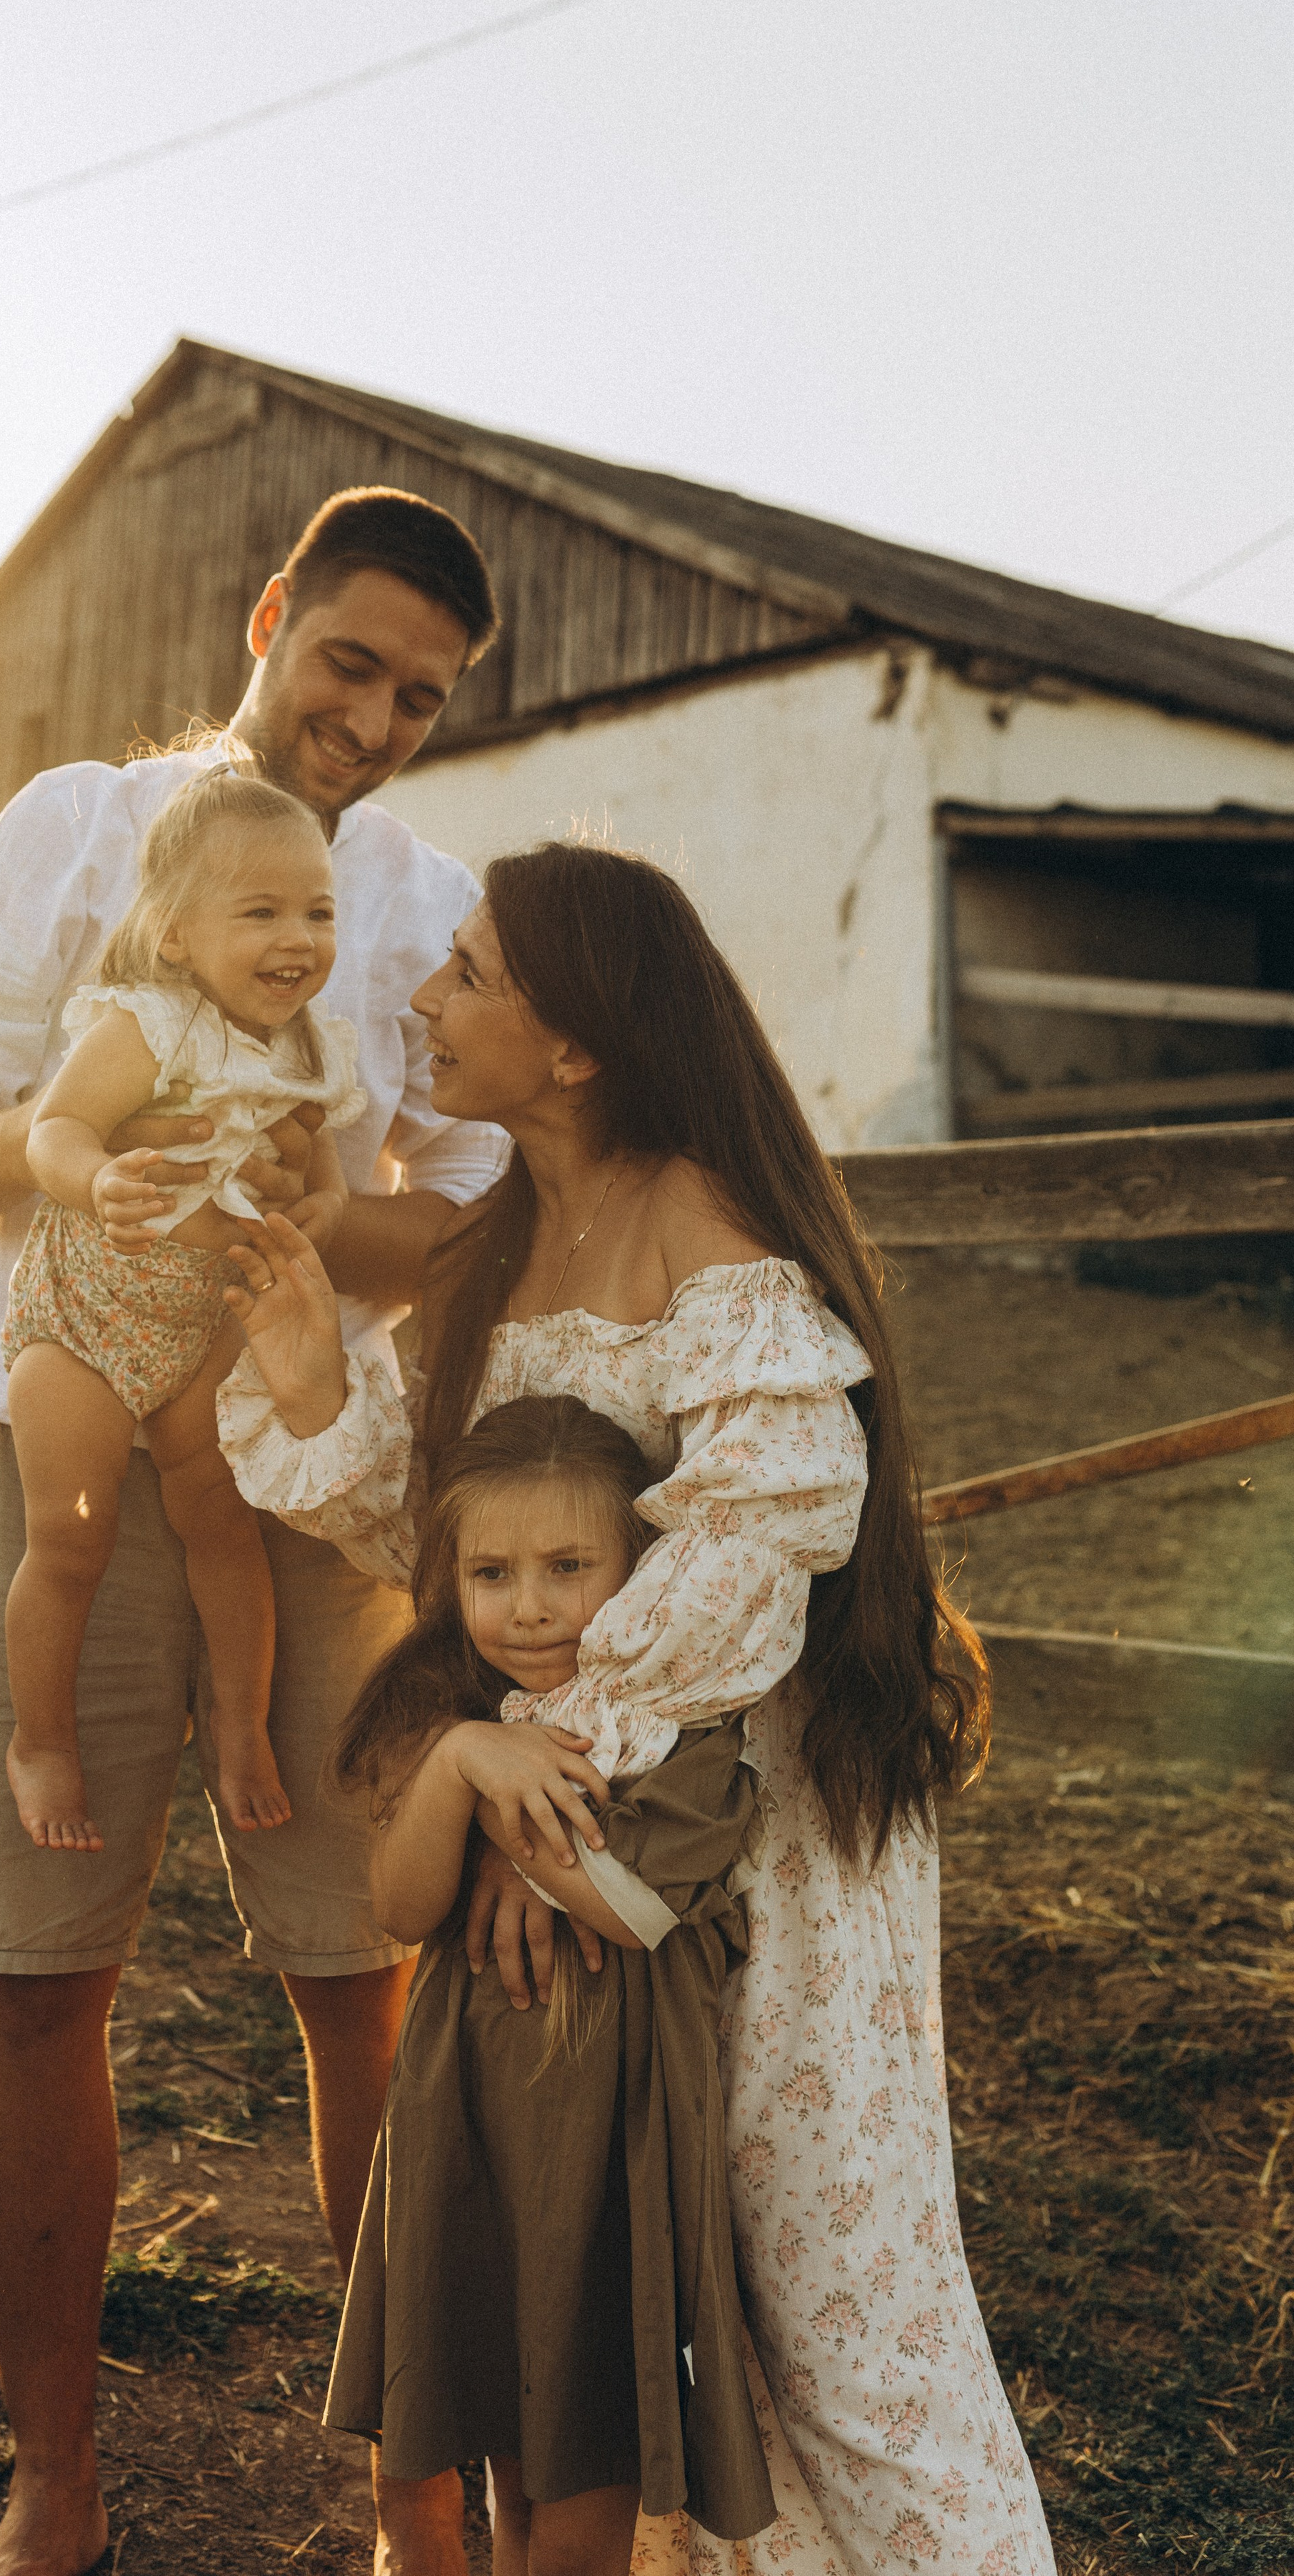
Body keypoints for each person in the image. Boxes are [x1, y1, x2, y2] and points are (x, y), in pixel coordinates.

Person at [218, 840, 1058, 2574]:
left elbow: (763, 1524)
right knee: (671, 2297)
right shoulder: (493, 1245)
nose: (421, 997)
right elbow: (477, 1550)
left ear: (578, 1040)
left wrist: (552, 1791)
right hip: (585, 1841)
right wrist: (313, 1388)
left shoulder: (702, 1223)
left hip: (749, 1852)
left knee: (838, 2303)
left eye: (464, 974)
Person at [0, 485, 508, 2576]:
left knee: (363, 1969)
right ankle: (58, 2486)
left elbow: (460, 1211)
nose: (376, 718)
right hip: (58, 1433)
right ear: (269, 619)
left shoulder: (428, 906)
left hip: (316, 1481)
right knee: (41, 1970)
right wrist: (71, 1171)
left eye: (421, 696)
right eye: (351, 663)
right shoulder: (71, 827)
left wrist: (327, 1216)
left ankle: (415, 2496)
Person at [311, 1390, 778, 2575]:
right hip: (472, 2122)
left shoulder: (682, 1735)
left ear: (646, 1571)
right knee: (512, 2477)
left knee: (580, 2471)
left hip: (607, 2141)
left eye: (570, 1567)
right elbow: (403, 1909)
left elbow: (626, 1909)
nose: (527, 1608)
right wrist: (466, 1758)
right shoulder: (456, 1718)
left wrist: (515, 1820)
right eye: (492, 1573)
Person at [2, 761, 365, 1850]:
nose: (296, 937)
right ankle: (42, 1740)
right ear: (174, 934)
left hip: (202, 1324)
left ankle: (240, 1724)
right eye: (259, 912)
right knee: (72, 1539)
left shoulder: (307, 1049)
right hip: (81, 1321)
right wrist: (96, 1179)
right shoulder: (146, 1026)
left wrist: (313, 1222)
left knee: (224, 1528)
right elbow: (52, 1133)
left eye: (318, 911)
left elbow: (333, 1183)